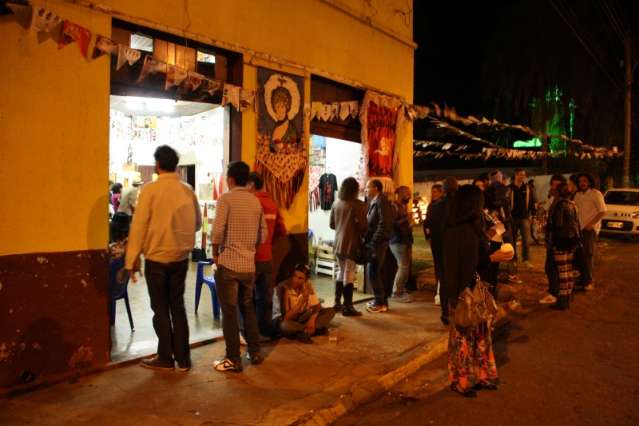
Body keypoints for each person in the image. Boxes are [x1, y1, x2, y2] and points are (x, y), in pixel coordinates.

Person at [125, 145, 201, 372]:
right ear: (175, 165)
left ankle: (166, 358)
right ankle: (184, 359)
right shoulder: (187, 190)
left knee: (160, 308)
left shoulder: (150, 190)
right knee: (177, 306)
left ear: (158, 165)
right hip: (180, 259)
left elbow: (138, 228)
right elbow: (197, 223)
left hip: (157, 259)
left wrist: (131, 261)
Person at [443, 185, 513, 397]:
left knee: (479, 334)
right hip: (465, 291)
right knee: (466, 337)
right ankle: (463, 380)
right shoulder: (463, 230)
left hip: (468, 289)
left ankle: (481, 375)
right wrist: (494, 257)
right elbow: (470, 263)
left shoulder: (460, 227)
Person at [211, 161, 268, 372]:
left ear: (231, 179)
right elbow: (263, 235)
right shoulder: (255, 202)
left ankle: (233, 359)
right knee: (248, 308)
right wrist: (248, 247)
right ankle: (255, 352)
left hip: (229, 266)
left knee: (230, 312)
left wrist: (216, 254)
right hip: (248, 266)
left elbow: (217, 231)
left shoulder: (225, 200)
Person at [247, 172, 287, 339]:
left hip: (251, 258)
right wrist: (268, 242)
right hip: (267, 258)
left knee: (247, 299)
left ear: (251, 185)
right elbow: (282, 231)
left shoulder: (251, 203)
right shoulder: (272, 203)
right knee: (265, 297)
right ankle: (266, 329)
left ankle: (250, 334)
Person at [329, 177, 368, 316]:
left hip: (338, 243)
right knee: (349, 273)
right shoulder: (358, 205)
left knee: (341, 271)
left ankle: (337, 302)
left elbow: (332, 225)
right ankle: (348, 306)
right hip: (351, 244)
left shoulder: (336, 203)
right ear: (355, 189)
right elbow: (364, 226)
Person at [275, 264, 336, 343]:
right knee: (284, 326)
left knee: (330, 311)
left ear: (305, 280)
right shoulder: (284, 287)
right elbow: (286, 318)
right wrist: (302, 301)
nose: (295, 280)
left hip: (304, 317)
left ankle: (301, 332)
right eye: (294, 276)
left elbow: (317, 306)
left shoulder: (307, 285)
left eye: (300, 278)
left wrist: (312, 321)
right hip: (291, 320)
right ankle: (309, 330)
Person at [425, 178, 457, 324]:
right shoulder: (461, 206)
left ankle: (445, 312)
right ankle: (455, 308)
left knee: (443, 279)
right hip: (456, 249)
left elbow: (429, 226)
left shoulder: (434, 207)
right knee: (457, 278)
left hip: (439, 248)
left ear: (443, 190)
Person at [545, 182, 581, 310]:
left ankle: (563, 300)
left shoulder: (560, 205)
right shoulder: (573, 204)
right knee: (568, 269)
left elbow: (558, 225)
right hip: (572, 240)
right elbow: (577, 223)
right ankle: (568, 295)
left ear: (559, 192)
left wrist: (547, 227)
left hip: (561, 240)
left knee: (562, 271)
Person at [364, 179, 394, 313]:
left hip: (378, 243)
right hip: (376, 242)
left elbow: (383, 224)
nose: (365, 190)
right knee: (376, 272)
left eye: (367, 187)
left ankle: (380, 302)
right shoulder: (376, 201)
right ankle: (381, 301)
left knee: (373, 272)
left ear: (375, 188)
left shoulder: (382, 201)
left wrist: (373, 241)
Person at [573, 173, 606, 291]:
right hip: (578, 229)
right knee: (579, 256)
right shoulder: (577, 195)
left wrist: (590, 225)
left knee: (588, 255)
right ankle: (582, 279)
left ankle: (589, 281)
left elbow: (602, 211)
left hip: (589, 230)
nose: (582, 183)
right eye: (581, 181)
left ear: (590, 182)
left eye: (585, 181)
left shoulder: (596, 194)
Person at [485, 170, 519, 284]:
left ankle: (493, 277)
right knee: (509, 248)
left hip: (493, 226)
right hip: (504, 225)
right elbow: (506, 209)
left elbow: (488, 210)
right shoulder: (505, 189)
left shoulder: (487, 191)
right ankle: (511, 274)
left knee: (494, 251)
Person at [539, 174, 567, 305]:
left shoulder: (561, 202)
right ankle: (557, 292)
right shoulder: (554, 200)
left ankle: (554, 293)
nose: (553, 188)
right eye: (553, 185)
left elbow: (558, 224)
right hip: (553, 238)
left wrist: (548, 228)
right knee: (552, 267)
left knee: (552, 266)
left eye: (557, 185)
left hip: (558, 239)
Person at [389, 185, 414, 303]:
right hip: (397, 241)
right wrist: (407, 219)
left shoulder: (403, 206)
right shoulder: (394, 206)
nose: (409, 196)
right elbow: (392, 223)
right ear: (400, 193)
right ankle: (396, 292)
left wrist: (409, 225)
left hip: (405, 240)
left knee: (406, 267)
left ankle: (400, 290)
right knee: (403, 267)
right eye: (407, 193)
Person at [508, 169, 536, 269]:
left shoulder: (528, 188)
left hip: (525, 217)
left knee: (526, 240)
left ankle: (526, 260)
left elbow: (532, 202)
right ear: (515, 175)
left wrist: (533, 215)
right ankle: (513, 259)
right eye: (520, 174)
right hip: (512, 218)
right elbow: (506, 203)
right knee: (512, 240)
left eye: (523, 175)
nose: (522, 177)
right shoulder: (509, 188)